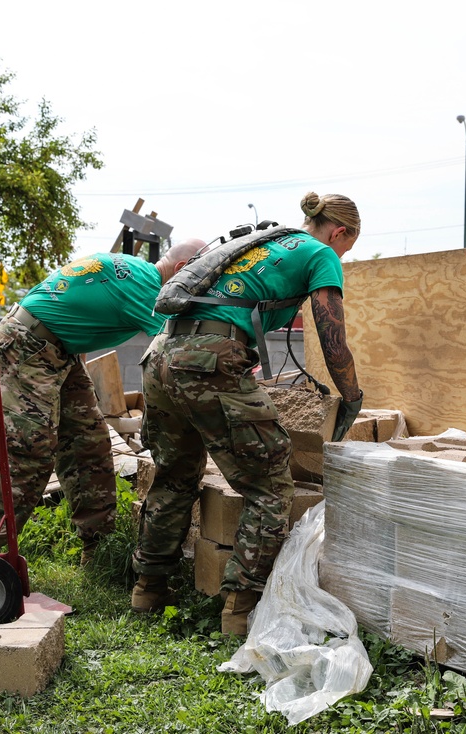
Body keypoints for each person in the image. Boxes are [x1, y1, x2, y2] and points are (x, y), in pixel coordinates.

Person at [131, 191, 364, 635]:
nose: (342, 256)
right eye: (346, 248)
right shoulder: (320, 253)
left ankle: (148, 587)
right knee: (271, 482)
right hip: (208, 356)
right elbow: (332, 340)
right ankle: (239, 611)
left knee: (176, 473)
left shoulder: (269, 241)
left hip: (161, 353)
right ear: (339, 232)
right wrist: (350, 394)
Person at [0, 238, 207, 564]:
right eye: (202, 281)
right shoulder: (147, 290)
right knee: (31, 454)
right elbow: (179, 352)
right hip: (28, 344)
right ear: (181, 270)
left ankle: (99, 552)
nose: (200, 292)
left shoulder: (134, 271)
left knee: (87, 446)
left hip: (59, 348)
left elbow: (75, 303)